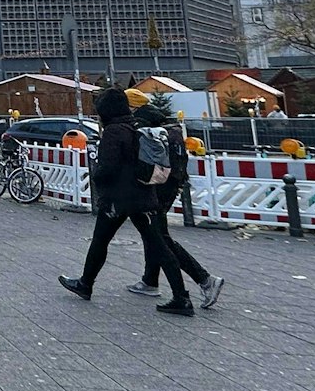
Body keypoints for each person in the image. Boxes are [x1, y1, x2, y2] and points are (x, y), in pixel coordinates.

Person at [59, 88, 194, 316]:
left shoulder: (113, 132)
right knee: (159, 245)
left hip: (119, 198)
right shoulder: (136, 126)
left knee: (100, 241)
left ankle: (85, 283)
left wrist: (97, 177)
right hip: (144, 195)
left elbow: (108, 168)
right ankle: (182, 296)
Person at [126, 94, 225, 307]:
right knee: (153, 235)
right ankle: (150, 281)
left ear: (133, 107)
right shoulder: (168, 127)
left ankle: (205, 279)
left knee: (160, 238)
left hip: (154, 189)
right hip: (170, 186)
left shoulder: (143, 127)